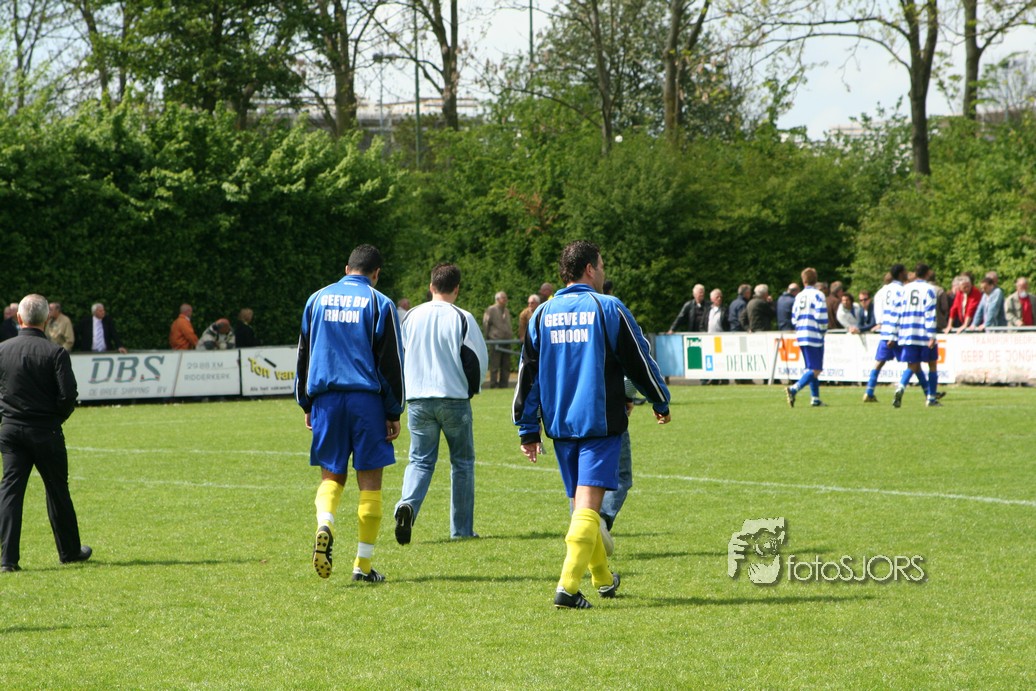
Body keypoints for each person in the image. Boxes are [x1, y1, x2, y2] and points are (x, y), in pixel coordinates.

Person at [513, 240, 671, 609]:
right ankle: (567, 588)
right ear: (589, 269)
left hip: (559, 424)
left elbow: (528, 377)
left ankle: (602, 579)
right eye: (601, 265)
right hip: (599, 423)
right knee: (586, 508)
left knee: (581, 505)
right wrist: (659, 398)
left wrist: (527, 428)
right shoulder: (608, 307)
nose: (603, 272)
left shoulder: (541, 314)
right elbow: (639, 361)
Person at [295, 244, 404, 583]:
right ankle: (363, 566)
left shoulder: (316, 299)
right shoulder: (380, 303)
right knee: (370, 483)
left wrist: (307, 403)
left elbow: (304, 354)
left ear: (346, 269)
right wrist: (393, 411)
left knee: (331, 477)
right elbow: (391, 364)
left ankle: (325, 522)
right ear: (376, 274)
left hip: (326, 400)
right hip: (366, 401)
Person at [393, 263, 488, 545]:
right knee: (462, 463)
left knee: (420, 461)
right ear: (456, 289)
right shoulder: (462, 317)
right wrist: (471, 390)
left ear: (431, 286)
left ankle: (407, 504)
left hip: (418, 399)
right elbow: (476, 360)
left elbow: (399, 356)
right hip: (453, 398)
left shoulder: (411, 316)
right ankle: (461, 529)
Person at [0, 294, 92, 572]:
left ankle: (7, 559)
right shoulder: (55, 353)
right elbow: (68, 395)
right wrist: (55, 419)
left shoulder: (3, 349)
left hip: (11, 430)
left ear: (19, 318)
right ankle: (69, 551)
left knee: (10, 491)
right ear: (46, 319)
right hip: (45, 430)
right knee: (57, 489)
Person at [888, 264, 940, 408]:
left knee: (912, 365)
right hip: (923, 333)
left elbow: (896, 312)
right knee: (932, 364)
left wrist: (892, 334)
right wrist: (932, 335)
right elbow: (930, 313)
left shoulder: (904, 289)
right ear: (927, 273)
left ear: (915, 273)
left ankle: (900, 387)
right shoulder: (929, 289)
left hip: (907, 333)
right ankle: (931, 398)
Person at [784, 268, 828, 408]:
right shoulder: (818, 295)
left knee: (811, 368)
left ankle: (815, 398)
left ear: (803, 281)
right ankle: (794, 389)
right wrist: (823, 330)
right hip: (813, 334)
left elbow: (794, 318)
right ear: (816, 279)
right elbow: (821, 315)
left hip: (801, 333)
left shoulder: (799, 296)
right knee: (816, 369)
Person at [863, 265, 907, 403]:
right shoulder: (901, 290)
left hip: (885, 330)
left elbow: (878, 315)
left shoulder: (881, 292)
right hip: (897, 332)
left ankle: (869, 391)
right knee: (913, 363)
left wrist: (881, 323)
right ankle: (929, 393)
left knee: (879, 362)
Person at [482, 291, 513, 389]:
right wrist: (487, 337)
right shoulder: (491, 310)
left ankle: (504, 384)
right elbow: (486, 324)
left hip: (507, 341)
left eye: (506, 298)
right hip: (495, 341)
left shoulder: (506, 311)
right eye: (503, 298)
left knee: (506, 365)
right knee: (495, 365)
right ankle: (493, 384)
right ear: (497, 299)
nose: (505, 300)